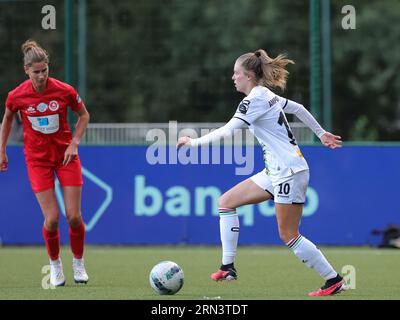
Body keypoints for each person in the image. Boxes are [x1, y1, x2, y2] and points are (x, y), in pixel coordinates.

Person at [177, 49, 346, 296]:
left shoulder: (253, 100)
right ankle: (227, 267)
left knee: (288, 234)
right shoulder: (265, 94)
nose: (232, 77)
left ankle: (333, 280)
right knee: (225, 202)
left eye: (236, 73)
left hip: (289, 172)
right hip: (276, 171)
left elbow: (227, 131)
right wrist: (320, 133)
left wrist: (193, 143)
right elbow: (298, 108)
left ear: (248, 75)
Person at [0, 40, 90, 287]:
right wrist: (2, 150)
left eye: (45, 70)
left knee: (73, 216)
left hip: (66, 157)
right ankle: (55, 265)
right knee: (51, 219)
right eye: (36, 71)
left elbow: (84, 115)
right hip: (37, 161)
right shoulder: (17, 95)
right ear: (26, 70)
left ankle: (79, 263)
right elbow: (7, 118)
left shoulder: (64, 90)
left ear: (48, 67)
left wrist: (74, 142)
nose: (41, 76)